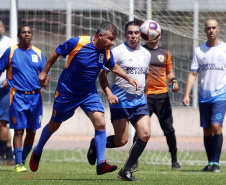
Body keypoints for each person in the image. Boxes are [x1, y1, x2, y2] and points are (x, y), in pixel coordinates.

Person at [29, 21, 139, 176]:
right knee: (54, 125)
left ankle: (100, 163)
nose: (113, 42)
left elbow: (113, 66)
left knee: (100, 121)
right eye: (111, 39)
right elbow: (57, 52)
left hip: (88, 93)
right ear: (100, 36)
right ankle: (38, 150)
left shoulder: (107, 52)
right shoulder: (77, 42)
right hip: (67, 92)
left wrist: (128, 78)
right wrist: (44, 72)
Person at [87, 21, 151, 181]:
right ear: (125, 34)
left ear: (141, 35)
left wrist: (145, 96)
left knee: (145, 134)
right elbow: (102, 74)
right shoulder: (116, 52)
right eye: (130, 32)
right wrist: (108, 93)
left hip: (140, 102)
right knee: (121, 141)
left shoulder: (146, 54)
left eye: (136, 33)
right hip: (120, 102)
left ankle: (126, 171)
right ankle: (96, 143)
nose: (133, 36)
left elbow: (146, 77)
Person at [0, 24, 50, 172]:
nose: (26, 34)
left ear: (32, 36)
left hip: (36, 97)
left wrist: (46, 79)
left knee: (32, 131)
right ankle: (18, 164)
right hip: (18, 97)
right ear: (18, 36)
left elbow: (45, 73)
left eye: (29, 32)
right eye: (23, 32)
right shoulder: (11, 51)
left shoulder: (39, 53)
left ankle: (22, 159)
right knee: (19, 131)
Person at [133, 20, 181, 171]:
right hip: (145, 96)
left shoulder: (165, 53)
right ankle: (133, 161)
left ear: (158, 34)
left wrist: (173, 80)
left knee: (169, 129)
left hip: (162, 96)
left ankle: (174, 160)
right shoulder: (141, 51)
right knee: (140, 129)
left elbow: (169, 72)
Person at [182, 18, 226, 173]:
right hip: (204, 96)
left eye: (214, 27)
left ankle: (217, 163)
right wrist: (187, 94)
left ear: (219, 29)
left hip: (221, 95)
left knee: (216, 126)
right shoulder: (199, 50)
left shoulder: (224, 49)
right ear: (205, 30)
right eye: (208, 28)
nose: (211, 30)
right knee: (207, 129)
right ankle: (210, 163)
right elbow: (193, 73)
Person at [0, 19, 17, 166]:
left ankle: (5, 155)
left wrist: (9, 80)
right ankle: (8, 154)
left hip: (4, 89)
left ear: (3, 28)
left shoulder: (10, 44)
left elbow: (16, 65)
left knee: (2, 122)